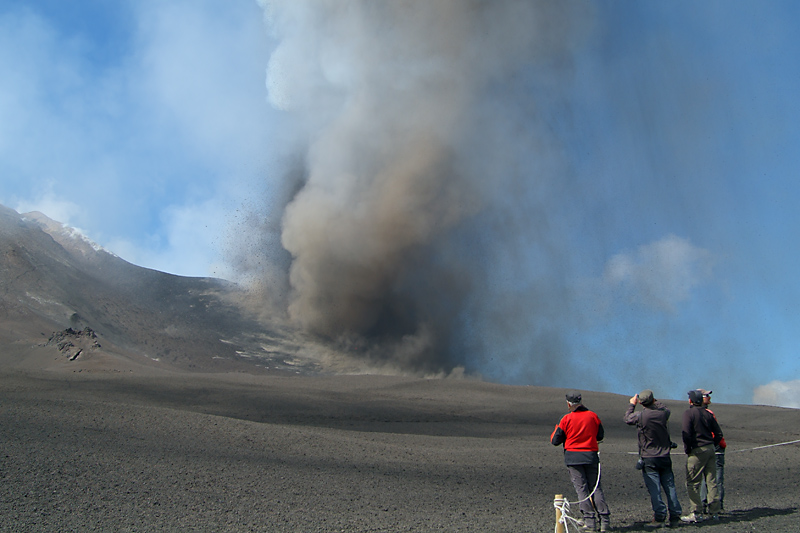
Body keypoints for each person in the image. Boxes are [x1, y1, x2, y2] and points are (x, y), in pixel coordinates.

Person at [551, 391, 611, 532]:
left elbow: (555, 440)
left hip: (573, 458)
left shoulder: (565, 419)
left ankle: (590, 522)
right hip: (590, 456)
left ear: (568, 403)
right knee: (596, 488)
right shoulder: (593, 416)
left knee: (582, 490)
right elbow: (600, 435)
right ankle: (605, 521)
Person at [623, 389, 682, 528]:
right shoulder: (663, 414)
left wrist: (632, 404)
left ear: (642, 403)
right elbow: (666, 408)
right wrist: (655, 401)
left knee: (654, 488)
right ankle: (675, 515)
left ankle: (660, 516)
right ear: (653, 400)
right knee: (670, 486)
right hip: (664, 456)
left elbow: (627, 419)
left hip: (649, 457)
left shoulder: (641, 416)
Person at [680, 390, 723, 523]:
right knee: (711, 481)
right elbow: (719, 434)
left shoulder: (689, 413)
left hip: (697, 450)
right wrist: (711, 444)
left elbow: (686, 433)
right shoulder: (708, 414)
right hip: (710, 449)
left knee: (692, 483)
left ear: (691, 401)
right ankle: (714, 512)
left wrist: (688, 449)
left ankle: (696, 512)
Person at [697, 389, 726, 513]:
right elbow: (716, 433)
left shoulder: (690, 413)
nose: (709, 398)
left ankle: (703, 504)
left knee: (705, 478)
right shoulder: (708, 414)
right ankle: (716, 505)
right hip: (713, 448)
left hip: (700, 448)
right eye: (706, 396)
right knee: (715, 478)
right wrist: (719, 444)